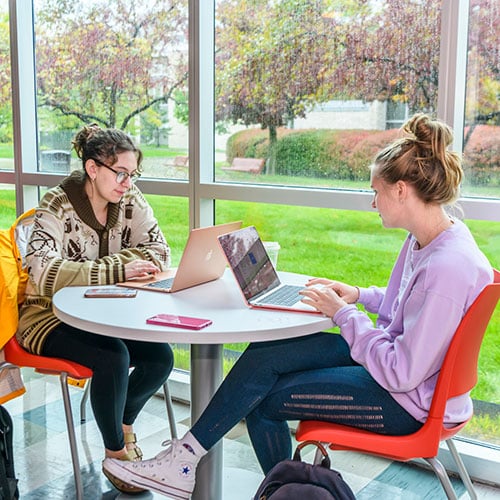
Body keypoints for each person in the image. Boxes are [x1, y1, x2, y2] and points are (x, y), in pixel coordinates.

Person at [103, 113, 493, 499]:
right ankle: (184, 462)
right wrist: (356, 294)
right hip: (402, 370)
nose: (373, 203)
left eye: (376, 192)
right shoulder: (431, 240)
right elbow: (406, 307)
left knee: (263, 401)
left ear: (402, 190)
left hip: (407, 402)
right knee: (268, 354)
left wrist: (343, 314)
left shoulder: (447, 268)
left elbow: (402, 372)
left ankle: (277, 492)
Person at [17, 124, 174, 494]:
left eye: (132, 174)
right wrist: (118, 268)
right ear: (92, 168)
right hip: (47, 316)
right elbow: (42, 271)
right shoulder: (57, 204)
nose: (127, 182)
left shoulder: (129, 198)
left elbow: (159, 252)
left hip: (105, 314)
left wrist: (92, 272)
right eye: (120, 173)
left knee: (160, 358)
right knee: (113, 356)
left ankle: (121, 423)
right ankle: (117, 458)